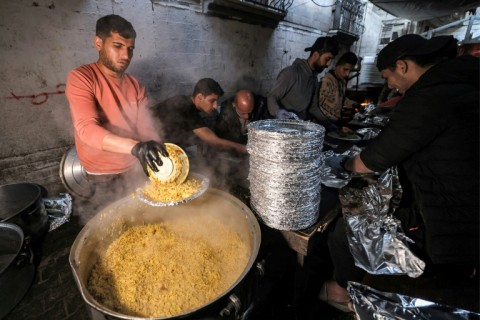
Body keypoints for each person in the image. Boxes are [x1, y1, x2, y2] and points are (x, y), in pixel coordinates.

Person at [323, 34, 479, 311]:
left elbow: (372, 160)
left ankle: (340, 292)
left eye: (388, 77)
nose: (390, 85)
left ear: (403, 66)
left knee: (345, 231)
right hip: (467, 211)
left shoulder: (429, 96)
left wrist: (343, 164)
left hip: (453, 217)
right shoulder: (459, 83)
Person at [65, 15, 167, 194]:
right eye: (118, 46)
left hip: (135, 164)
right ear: (98, 43)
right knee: (115, 219)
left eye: (130, 49)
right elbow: (86, 129)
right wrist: (135, 147)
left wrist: (157, 148)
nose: (126, 56)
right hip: (102, 173)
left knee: (146, 217)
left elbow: (146, 127)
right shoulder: (82, 77)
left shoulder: (136, 85)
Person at [151, 78, 247, 156]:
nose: (215, 106)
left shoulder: (182, 100)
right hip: (148, 143)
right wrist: (245, 149)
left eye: (217, 101)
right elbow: (215, 142)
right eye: (212, 101)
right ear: (200, 97)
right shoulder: (186, 108)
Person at [267, 36, 339, 120]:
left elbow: (313, 108)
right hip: (284, 126)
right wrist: (276, 111)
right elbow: (272, 96)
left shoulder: (314, 79)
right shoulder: (291, 73)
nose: (328, 64)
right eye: (328, 59)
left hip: (300, 126)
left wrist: (327, 123)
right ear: (315, 55)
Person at [310, 52, 361, 132]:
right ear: (337, 65)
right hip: (322, 125)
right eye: (345, 69)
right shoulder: (326, 81)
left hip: (335, 124)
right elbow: (319, 108)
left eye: (350, 71)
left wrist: (355, 104)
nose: (347, 74)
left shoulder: (342, 82)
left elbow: (340, 99)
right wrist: (337, 123)